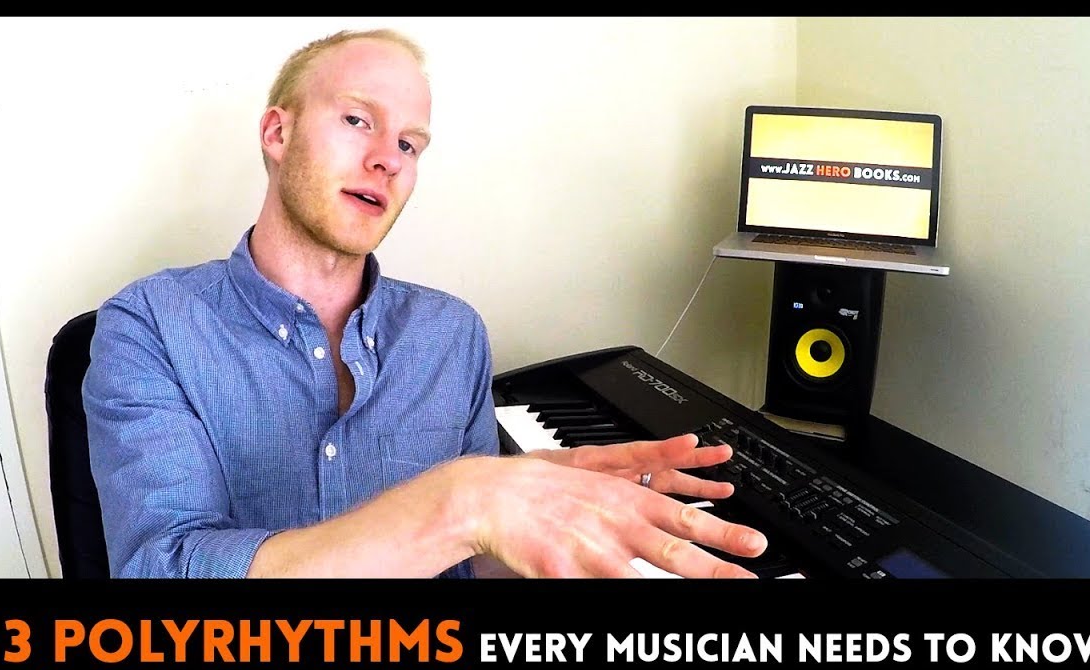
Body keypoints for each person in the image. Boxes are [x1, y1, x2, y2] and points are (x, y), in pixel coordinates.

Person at [82, 28, 768, 579]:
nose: (389, 158)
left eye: (409, 144)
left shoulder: (451, 333)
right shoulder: (150, 325)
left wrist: (543, 523)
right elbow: (161, 567)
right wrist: (456, 503)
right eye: (359, 120)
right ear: (277, 133)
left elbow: (467, 560)